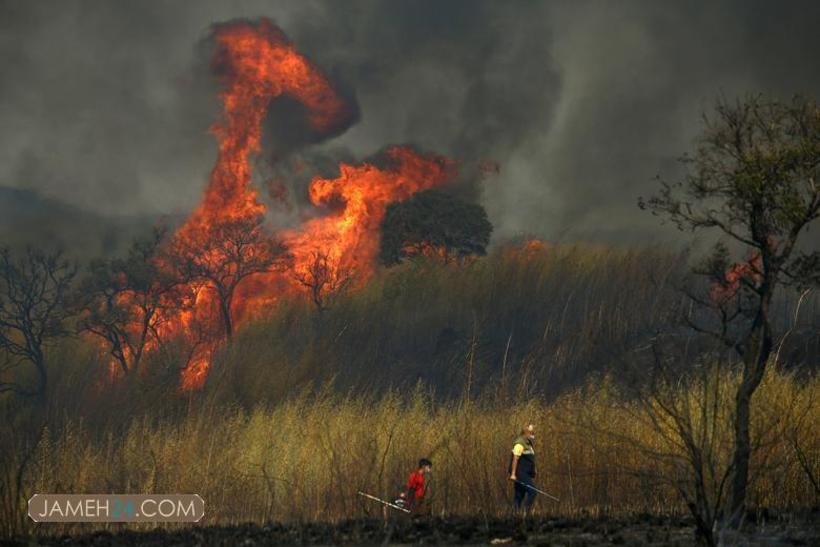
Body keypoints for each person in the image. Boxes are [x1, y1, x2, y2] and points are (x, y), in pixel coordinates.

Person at [509, 424, 537, 511]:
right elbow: (515, 459)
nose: (533, 434)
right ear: (526, 432)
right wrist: (513, 474)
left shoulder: (528, 444)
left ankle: (514, 515)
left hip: (527, 473)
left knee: (519, 495)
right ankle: (526, 512)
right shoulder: (519, 443)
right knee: (533, 491)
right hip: (520, 473)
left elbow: (530, 459)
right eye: (531, 432)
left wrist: (534, 470)